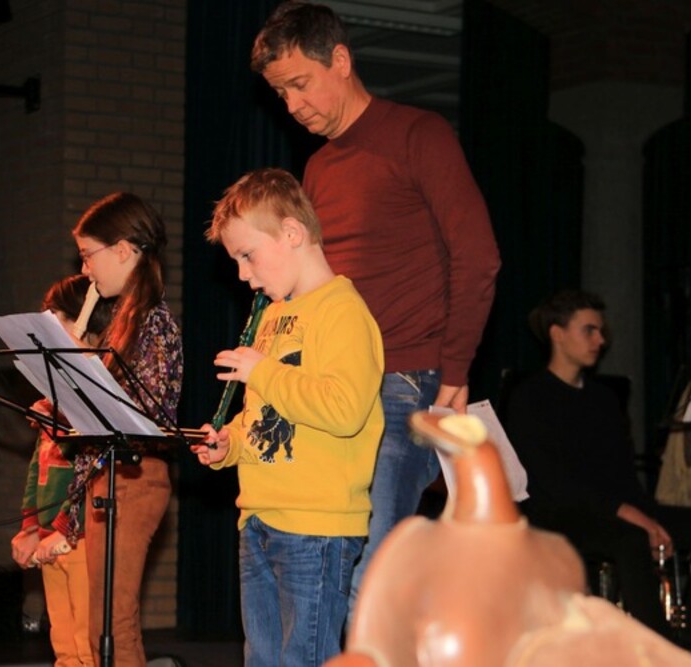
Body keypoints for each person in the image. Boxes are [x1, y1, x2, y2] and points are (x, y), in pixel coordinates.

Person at [251, 0, 501, 613]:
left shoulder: (418, 135)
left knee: (373, 573)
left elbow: (478, 257)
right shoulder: (317, 167)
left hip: (405, 378)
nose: (293, 106)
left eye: (300, 84)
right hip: (336, 383)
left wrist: (455, 372)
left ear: (340, 60)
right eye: (281, 94)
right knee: (326, 570)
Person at [191, 168, 384, 666]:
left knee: (306, 658)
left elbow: (344, 410)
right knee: (263, 658)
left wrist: (263, 371)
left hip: (315, 525)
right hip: (259, 515)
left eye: (247, 255)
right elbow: (264, 411)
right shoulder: (273, 315)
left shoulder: (342, 311)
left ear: (292, 234)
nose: (243, 275)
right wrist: (229, 444)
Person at [505, 289, 691, 654]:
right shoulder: (529, 397)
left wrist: (647, 515)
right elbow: (556, 483)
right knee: (630, 538)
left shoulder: (603, 398)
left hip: (618, 508)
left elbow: (622, 474)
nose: (600, 341)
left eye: (601, 331)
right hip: (560, 514)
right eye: (589, 330)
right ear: (557, 334)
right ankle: (658, 650)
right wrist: (632, 515)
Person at [32, 193, 183, 667]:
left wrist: (81, 383)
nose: (85, 269)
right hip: (107, 475)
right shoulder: (121, 321)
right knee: (99, 627)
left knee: (113, 624)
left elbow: (142, 414)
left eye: (87, 255)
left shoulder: (153, 323)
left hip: (135, 476)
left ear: (122, 250)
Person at [11, 274, 111, 667]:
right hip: (49, 535)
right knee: (63, 642)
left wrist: (67, 530)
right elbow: (38, 467)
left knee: (87, 639)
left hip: (79, 537)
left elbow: (94, 471)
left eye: (57, 326)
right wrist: (30, 527)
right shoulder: (53, 397)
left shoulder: (96, 395)